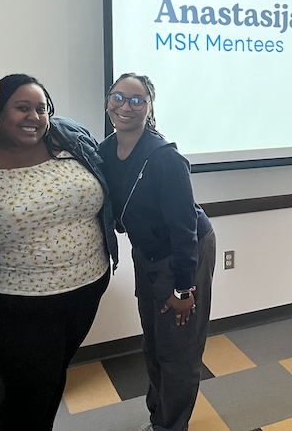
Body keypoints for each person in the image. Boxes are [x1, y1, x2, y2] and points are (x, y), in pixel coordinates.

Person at [0, 74, 118, 431]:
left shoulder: (68, 136)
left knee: (54, 376)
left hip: (86, 288)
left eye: (41, 109)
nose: (34, 117)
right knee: (26, 392)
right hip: (15, 305)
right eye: (22, 108)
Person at [99, 73, 215, 431]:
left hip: (183, 253)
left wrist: (183, 289)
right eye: (118, 97)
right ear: (108, 101)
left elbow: (184, 230)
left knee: (177, 349)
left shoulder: (165, 158)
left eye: (137, 100)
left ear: (149, 107)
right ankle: (159, 416)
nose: (126, 106)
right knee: (152, 341)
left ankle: (171, 425)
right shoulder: (104, 151)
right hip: (146, 253)